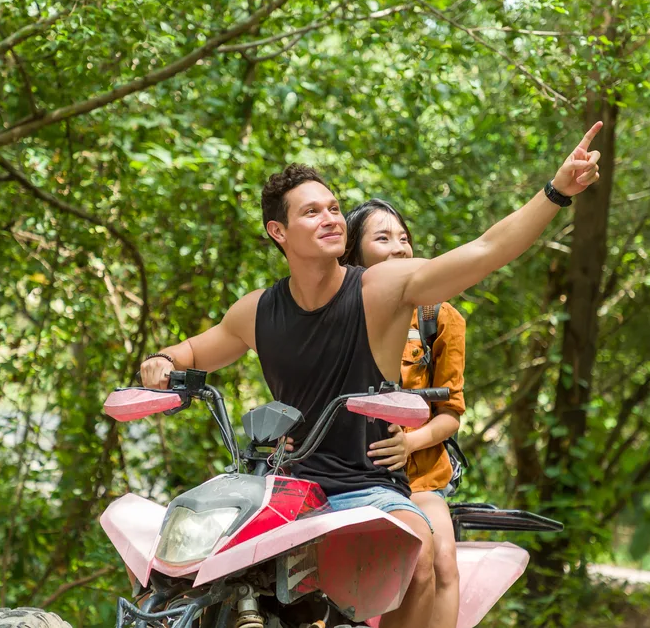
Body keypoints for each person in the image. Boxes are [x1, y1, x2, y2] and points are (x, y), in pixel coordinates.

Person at [140, 122, 603, 628]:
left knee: (419, 551)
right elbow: (190, 350)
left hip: (366, 487)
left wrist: (556, 192)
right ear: (279, 232)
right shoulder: (256, 312)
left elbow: (485, 251)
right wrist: (162, 362)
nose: (330, 218)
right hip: (286, 487)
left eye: (334, 208)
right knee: (177, 552)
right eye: (311, 211)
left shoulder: (380, 289)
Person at [341, 198, 466, 628]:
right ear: (353, 254)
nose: (399, 247)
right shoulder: (331, 313)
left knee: (441, 563)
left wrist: (408, 442)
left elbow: (450, 414)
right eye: (383, 238)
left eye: (404, 238)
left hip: (418, 475)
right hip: (342, 472)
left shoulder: (439, 317)